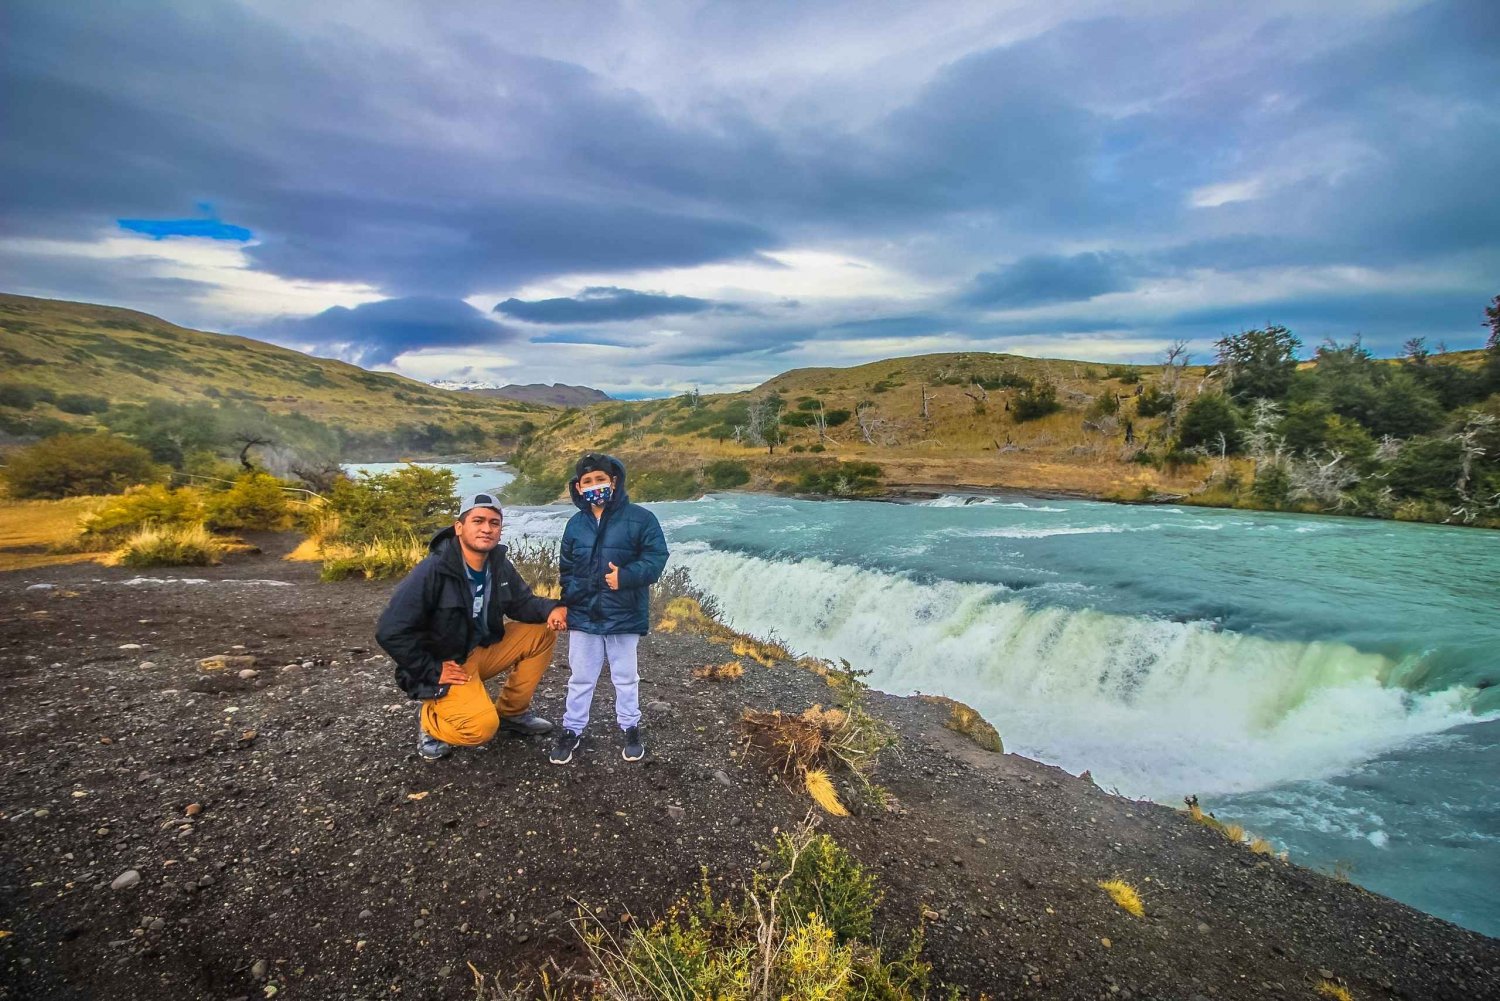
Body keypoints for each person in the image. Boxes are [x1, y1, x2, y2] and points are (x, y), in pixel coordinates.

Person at [376, 492, 568, 760]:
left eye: (494, 523)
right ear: (459, 528)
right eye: (478, 521)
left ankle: (512, 712)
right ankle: (431, 721)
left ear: (500, 530)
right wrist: (431, 669)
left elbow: (521, 604)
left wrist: (553, 608)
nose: (486, 528)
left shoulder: (498, 564)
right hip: (449, 664)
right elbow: (389, 630)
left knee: (541, 631)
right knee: (480, 729)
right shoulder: (433, 570)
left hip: (481, 650)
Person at [550, 453, 668, 765]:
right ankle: (572, 729)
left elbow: (657, 558)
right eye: (587, 481)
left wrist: (626, 577)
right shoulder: (575, 525)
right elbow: (566, 569)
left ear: (613, 481)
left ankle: (630, 727)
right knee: (581, 677)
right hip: (583, 614)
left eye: (600, 479)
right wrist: (564, 604)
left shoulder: (642, 519)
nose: (594, 485)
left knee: (626, 677)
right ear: (578, 486)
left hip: (624, 613)